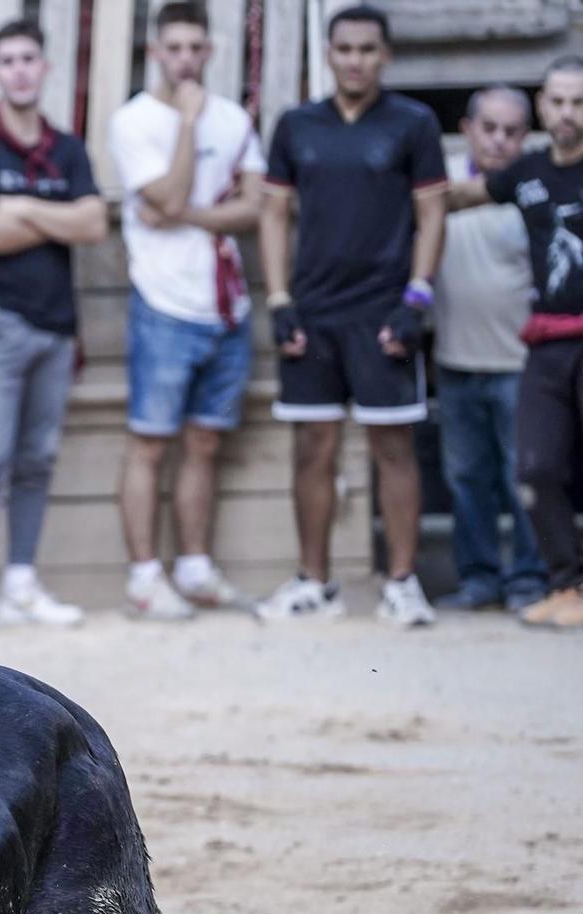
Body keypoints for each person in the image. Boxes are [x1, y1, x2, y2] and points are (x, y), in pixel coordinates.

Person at [257, 3, 444, 627]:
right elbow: (274, 215)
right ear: (329, 54)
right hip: (313, 310)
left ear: (384, 56)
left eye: (368, 49)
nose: (356, 60)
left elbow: (433, 215)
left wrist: (417, 297)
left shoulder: (413, 124)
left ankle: (402, 583)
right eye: (345, 49)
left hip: (385, 310)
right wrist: (280, 300)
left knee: (393, 445)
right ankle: (314, 582)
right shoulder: (296, 125)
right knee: (312, 446)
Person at [0, 19, 107, 637]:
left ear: (46, 68)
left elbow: (95, 224)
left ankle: (21, 581)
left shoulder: (67, 148)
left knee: (37, 459)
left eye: (28, 59)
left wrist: (25, 208)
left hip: (57, 327)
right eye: (7, 60)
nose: (18, 69)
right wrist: (58, 216)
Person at [108, 2, 265, 619]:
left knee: (205, 442)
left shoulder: (234, 118)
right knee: (150, 443)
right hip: (164, 302)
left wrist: (184, 215)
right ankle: (146, 577)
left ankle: (195, 566)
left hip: (226, 305)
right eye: (174, 48)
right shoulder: (136, 120)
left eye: (195, 48)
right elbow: (166, 193)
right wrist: (188, 126)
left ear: (210, 51)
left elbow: (254, 207)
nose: (185, 59)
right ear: (156, 53)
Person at [449, 57, 583, 629]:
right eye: (557, 101)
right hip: (547, 344)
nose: (568, 114)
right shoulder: (524, 175)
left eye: (579, 102)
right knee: (536, 466)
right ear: (543, 105)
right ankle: (569, 586)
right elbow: (457, 197)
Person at [432, 87, 547, 613]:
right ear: (468, 127)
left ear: (526, 135)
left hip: (520, 362)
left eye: (511, 131)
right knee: (465, 478)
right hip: (454, 358)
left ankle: (529, 579)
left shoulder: (534, 188)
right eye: (490, 128)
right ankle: (479, 578)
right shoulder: (438, 182)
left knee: (522, 478)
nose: (499, 140)